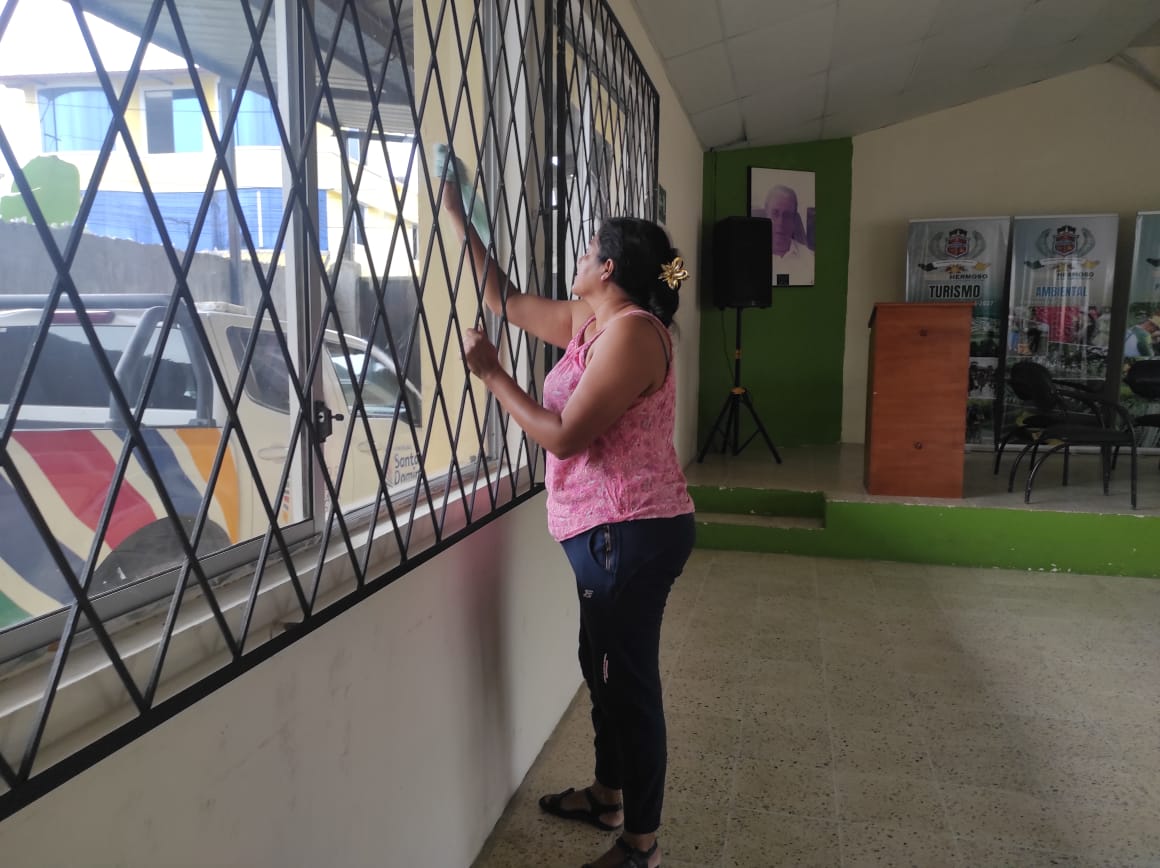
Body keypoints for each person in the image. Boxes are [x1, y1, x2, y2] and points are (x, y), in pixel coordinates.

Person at [435, 145, 695, 868]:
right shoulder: (590, 321)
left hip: (632, 533)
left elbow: (565, 435)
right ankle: (608, 794)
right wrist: (457, 214)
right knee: (600, 662)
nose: (576, 259)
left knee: (629, 685)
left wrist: (493, 376)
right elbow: (505, 300)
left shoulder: (633, 334)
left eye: (585, 250)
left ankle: (640, 845)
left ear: (608, 268)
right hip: (604, 533)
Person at [762, 184, 814, 285]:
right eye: (775, 213)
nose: (780, 222)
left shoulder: (810, 260)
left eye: (787, 215)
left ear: (794, 221)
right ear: (766, 215)